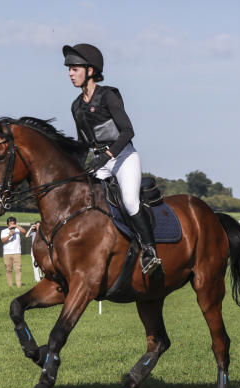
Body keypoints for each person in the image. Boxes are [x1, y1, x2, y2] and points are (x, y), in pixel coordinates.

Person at [63, 43, 161, 275]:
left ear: (90, 70)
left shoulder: (108, 96)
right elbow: (82, 144)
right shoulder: (76, 107)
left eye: (74, 68)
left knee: (129, 201)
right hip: (100, 163)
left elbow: (128, 131)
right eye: (69, 69)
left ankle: (150, 251)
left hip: (123, 156)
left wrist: (107, 155)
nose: (70, 73)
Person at [1, 216, 26, 288]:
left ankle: (19, 286)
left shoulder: (18, 230)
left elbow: (24, 232)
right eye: (10, 223)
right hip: (7, 253)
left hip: (17, 252)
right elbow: (3, 241)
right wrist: (9, 235)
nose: (11, 224)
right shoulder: (4, 231)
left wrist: (16, 226)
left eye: (13, 223)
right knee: (8, 270)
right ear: (7, 224)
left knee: (18, 269)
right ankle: (10, 286)